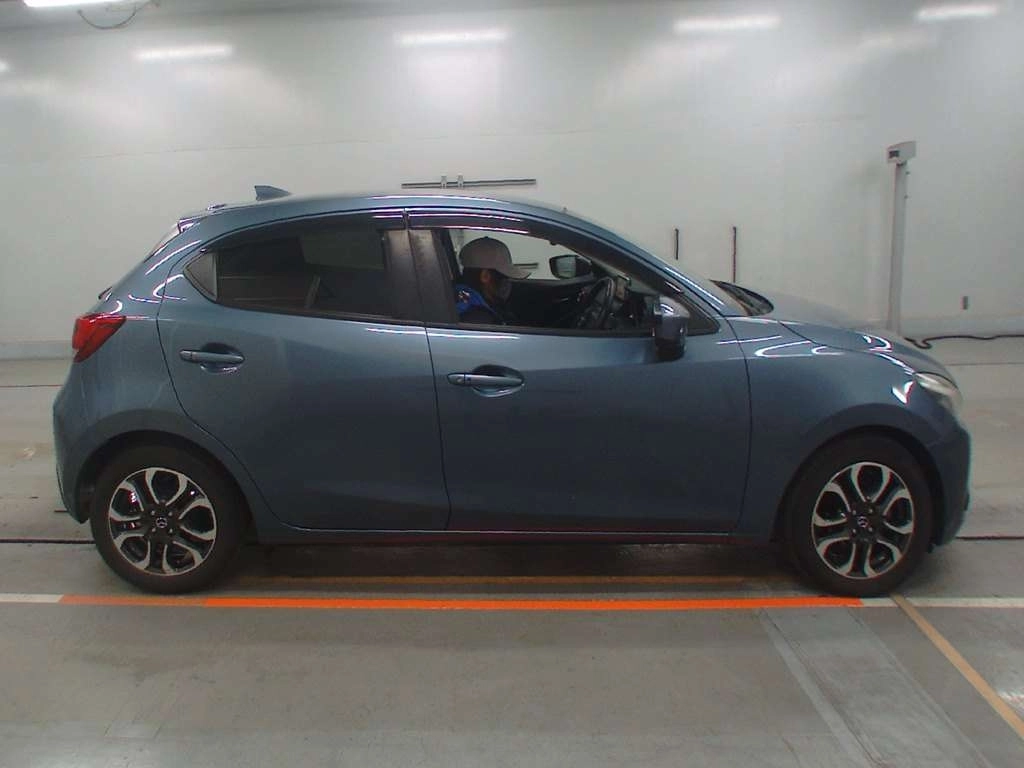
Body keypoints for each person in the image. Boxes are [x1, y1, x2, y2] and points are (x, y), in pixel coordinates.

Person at [454, 237, 530, 325]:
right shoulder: (479, 319)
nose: (507, 283)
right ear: (485, 276)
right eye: (504, 277)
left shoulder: (461, 297)